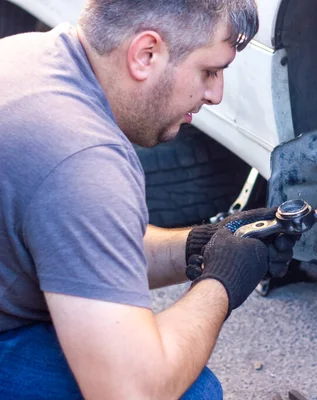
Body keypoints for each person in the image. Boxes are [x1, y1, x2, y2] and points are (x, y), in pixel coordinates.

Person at [0, 1, 295, 398]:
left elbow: (84, 246)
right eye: (209, 71)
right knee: (192, 393)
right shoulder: (83, 161)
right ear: (146, 54)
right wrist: (222, 282)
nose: (216, 94)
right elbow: (132, 391)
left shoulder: (34, 56)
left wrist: (202, 244)